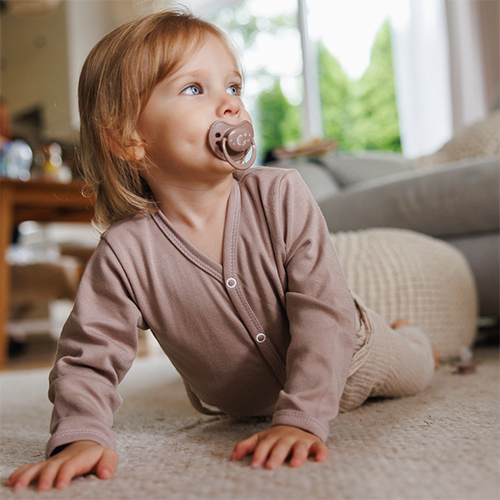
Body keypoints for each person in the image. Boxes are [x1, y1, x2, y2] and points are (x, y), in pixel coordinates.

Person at [7, 10, 437, 492]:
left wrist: (301, 417)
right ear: (128, 138)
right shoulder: (126, 254)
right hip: (245, 407)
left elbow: (324, 312)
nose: (231, 104)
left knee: (418, 370)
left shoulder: (281, 196)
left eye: (233, 87)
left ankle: (408, 334)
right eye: (195, 89)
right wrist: (80, 436)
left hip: (354, 354)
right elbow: (88, 355)